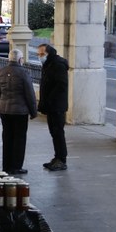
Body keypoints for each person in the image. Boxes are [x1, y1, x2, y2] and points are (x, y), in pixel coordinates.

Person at [0, 48, 37, 175]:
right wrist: (33, 111)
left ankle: (6, 165)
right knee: (19, 138)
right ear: (20, 59)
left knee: (7, 137)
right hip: (20, 111)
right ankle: (16, 166)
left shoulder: (1, 71)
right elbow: (30, 94)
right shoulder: (23, 72)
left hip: (4, 110)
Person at [37, 43, 69, 171]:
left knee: (58, 132)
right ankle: (57, 157)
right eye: (38, 54)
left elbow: (61, 85)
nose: (40, 57)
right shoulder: (48, 64)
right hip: (51, 106)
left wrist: (49, 100)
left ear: (49, 53)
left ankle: (61, 159)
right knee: (54, 132)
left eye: (42, 54)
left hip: (57, 106)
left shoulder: (58, 65)